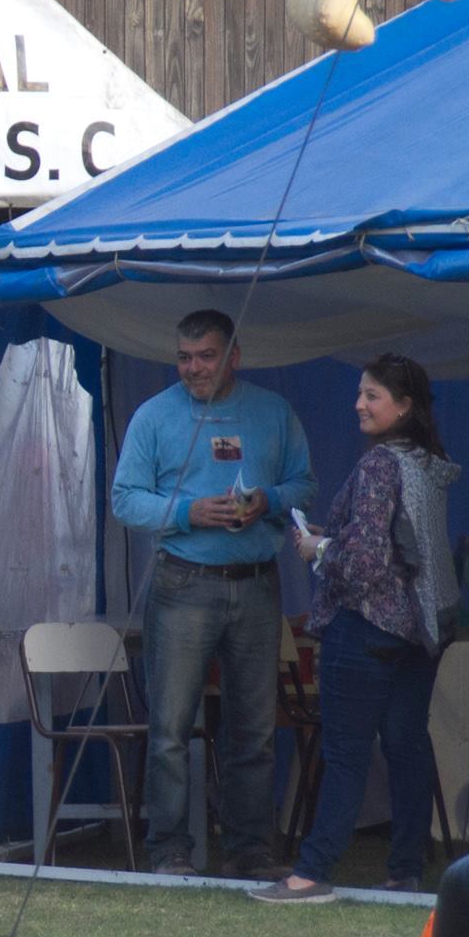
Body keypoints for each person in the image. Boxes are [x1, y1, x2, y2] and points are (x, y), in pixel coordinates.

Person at [110, 309, 316, 880]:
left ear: (234, 356)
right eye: (184, 357)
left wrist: (267, 501)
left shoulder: (272, 411)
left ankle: (250, 849)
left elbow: (305, 484)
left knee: (253, 727)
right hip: (183, 583)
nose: (193, 368)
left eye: (205, 356)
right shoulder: (154, 416)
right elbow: (125, 499)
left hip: (255, 584)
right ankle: (170, 851)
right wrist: (187, 511)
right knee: (171, 728)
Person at [253, 355, 458, 903]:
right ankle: (405, 871)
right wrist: (336, 536)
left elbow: (364, 565)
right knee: (407, 748)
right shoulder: (428, 462)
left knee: (344, 754)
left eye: (372, 396)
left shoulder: (378, 465)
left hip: (365, 629)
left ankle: (311, 872)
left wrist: (318, 548)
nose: (358, 404)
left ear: (404, 406)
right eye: (360, 394)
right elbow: (400, 550)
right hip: (419, 632)